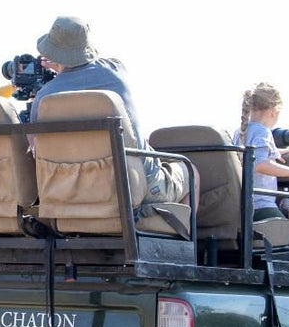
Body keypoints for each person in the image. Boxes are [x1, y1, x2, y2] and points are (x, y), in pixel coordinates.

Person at [28, 15, 189, 204]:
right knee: (190, 171)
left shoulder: (46, 97)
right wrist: (66, 65)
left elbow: (36, 150)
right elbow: (93, 67)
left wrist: (60, 74)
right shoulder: (115, 71)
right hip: (137, 187)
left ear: (53, 53)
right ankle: (177, 230)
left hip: (73, 192)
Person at [235, 84, 289, 241]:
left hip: (246, 204)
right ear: (273, 112)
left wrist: (275, 153)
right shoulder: (263, 131)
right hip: (262, 205)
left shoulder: (241, 131)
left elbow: (251, 155)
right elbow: (259, 164)